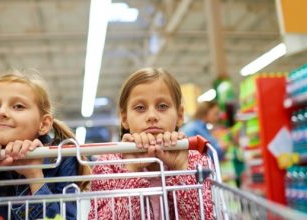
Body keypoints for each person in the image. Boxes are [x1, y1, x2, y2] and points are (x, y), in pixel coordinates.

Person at [0, 70, 88, 220]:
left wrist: (34, 176)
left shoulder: (63, 159)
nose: (1, 112)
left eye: (18, 106)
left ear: (43, 124)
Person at [88, 68, 213, 219]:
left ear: (180, 115)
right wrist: (130, 173)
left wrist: (182, 170)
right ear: (124, 118)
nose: (152, 116)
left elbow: (205, 216)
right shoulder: (108, 165)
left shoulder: (196, 161)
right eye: (140, 108)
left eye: (162, 106)